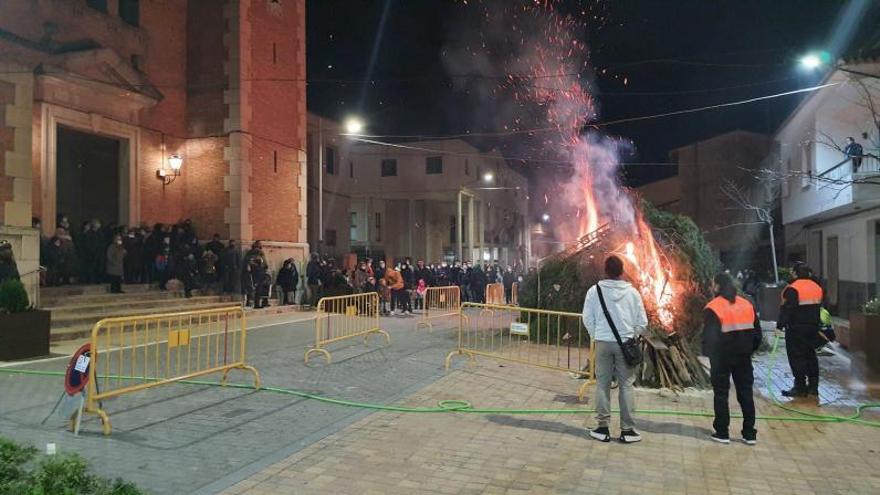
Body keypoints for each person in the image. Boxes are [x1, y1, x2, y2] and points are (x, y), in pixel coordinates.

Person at [582, 255, 648, 443]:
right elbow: (642, 322)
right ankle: (627, 430)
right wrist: (631, 336)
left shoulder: (594, 291)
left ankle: (602, 428)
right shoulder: (632, 293)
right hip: (625, 343)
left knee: (602, 384)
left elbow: (587, 318)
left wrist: (596, 335)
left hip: (603, 343)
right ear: (622, 271)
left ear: (605, 270)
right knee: (626, 385)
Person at [702, 273, 762, 445]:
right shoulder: (746, 304)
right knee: (745, 393)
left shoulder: (714, 307)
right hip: (743, 357)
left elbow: (710, 338)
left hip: (722, 358)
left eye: (713, 284)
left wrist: (709, 355)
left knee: (721, 393)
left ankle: (722, 432)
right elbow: (757, 334)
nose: (712, 287)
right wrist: (749, 350)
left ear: (718, 286)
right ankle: (749, 433)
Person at [777, 263, 824, 397]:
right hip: (813, 327)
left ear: (796, 274)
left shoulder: (792, 289)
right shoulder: (817, 287)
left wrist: (779, 326)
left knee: (797, 357)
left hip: (796, 329)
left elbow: (788, 309)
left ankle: (800, 387)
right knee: (811, 356)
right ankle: (813, 387)